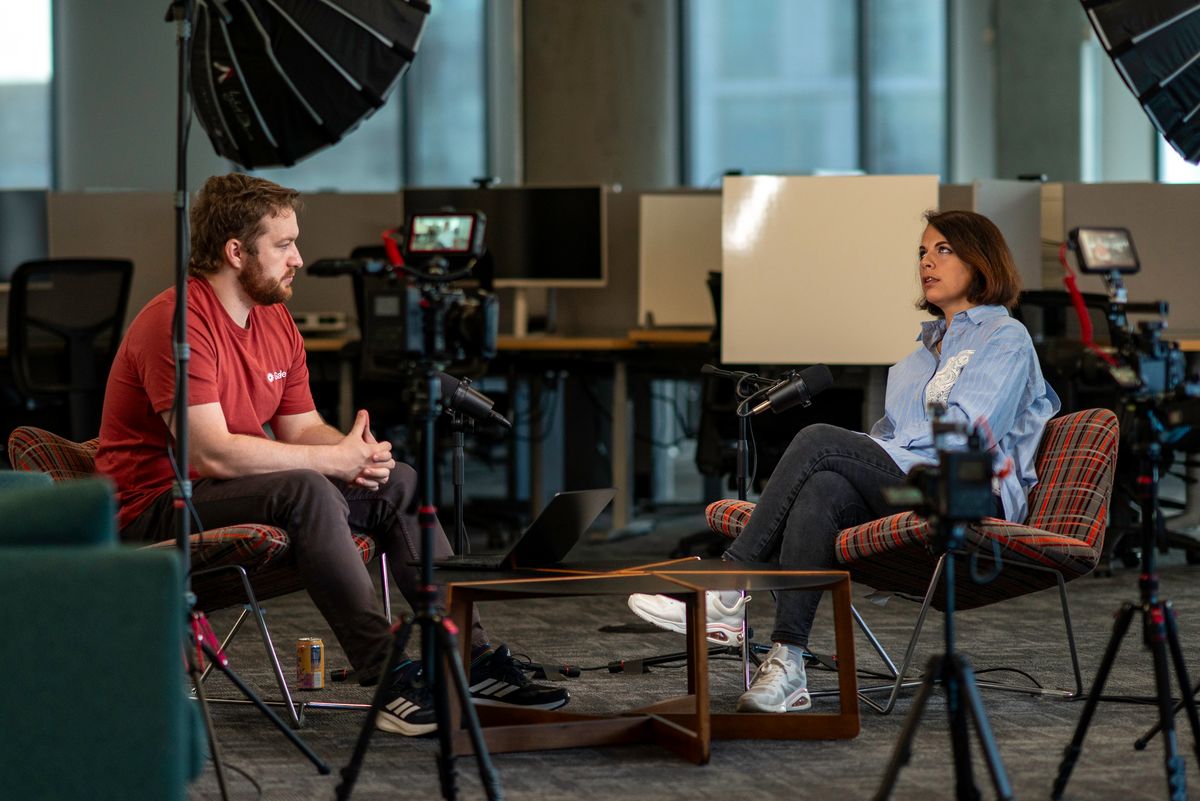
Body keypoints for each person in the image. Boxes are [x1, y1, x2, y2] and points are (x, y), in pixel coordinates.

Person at [96, 173, 568, 736]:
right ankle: (387, 673)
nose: (299, 258)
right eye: (285, 244)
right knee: (308, 486)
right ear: (235, 251)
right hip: (153, 509)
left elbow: (301, 430)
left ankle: (470, 653)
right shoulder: (177, 321)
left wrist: (353, 454)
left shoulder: (273, 316)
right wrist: (329, 464)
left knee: (398, 481)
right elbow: (214, 454)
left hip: (226, 491)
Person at [627, 209, 1060, 713]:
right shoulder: (916, 359)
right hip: (910, 489)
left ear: (981, 261)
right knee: (824, 486)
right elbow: (888, 442)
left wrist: (861, 449)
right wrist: (860, 454)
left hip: (968, 494)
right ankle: (788, 659)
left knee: (818, 440)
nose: (927, 262)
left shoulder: (1005, 338)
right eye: (922, 252)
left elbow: (969, 435)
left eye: (943, 250)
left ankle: (729, 585)